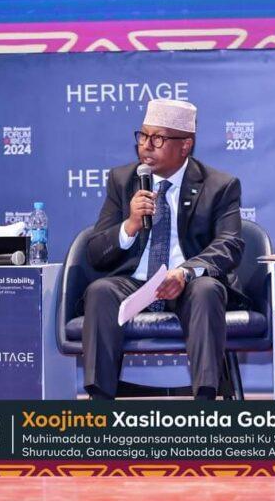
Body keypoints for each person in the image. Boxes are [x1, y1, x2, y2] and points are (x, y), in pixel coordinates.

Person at [82, 98, 248, 400]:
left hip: (187, 284)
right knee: (100, 291)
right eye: (143, 136)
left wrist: (185, 273)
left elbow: (229, 245)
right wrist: (130, 224)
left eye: (158, 138)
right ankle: (100, 403)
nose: (146, 146)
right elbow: (95, 253)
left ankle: (206, 401)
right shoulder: (123, 181)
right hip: (135, 282)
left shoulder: (220, 185)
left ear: (185, 145)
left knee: (207, 290)